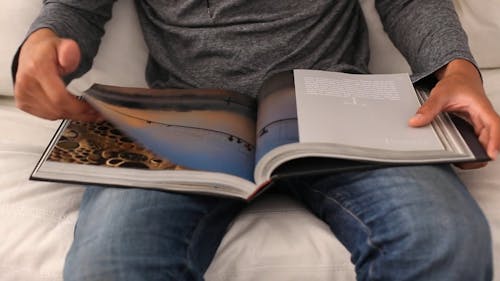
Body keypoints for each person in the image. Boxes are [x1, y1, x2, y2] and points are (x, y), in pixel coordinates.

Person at [12, 0, 500, 280]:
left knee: (442, 240)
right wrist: (43, 42)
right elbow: (75, 7)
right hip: (183, 115)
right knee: (112, 264)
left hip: (333, 101)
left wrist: (455, 69)